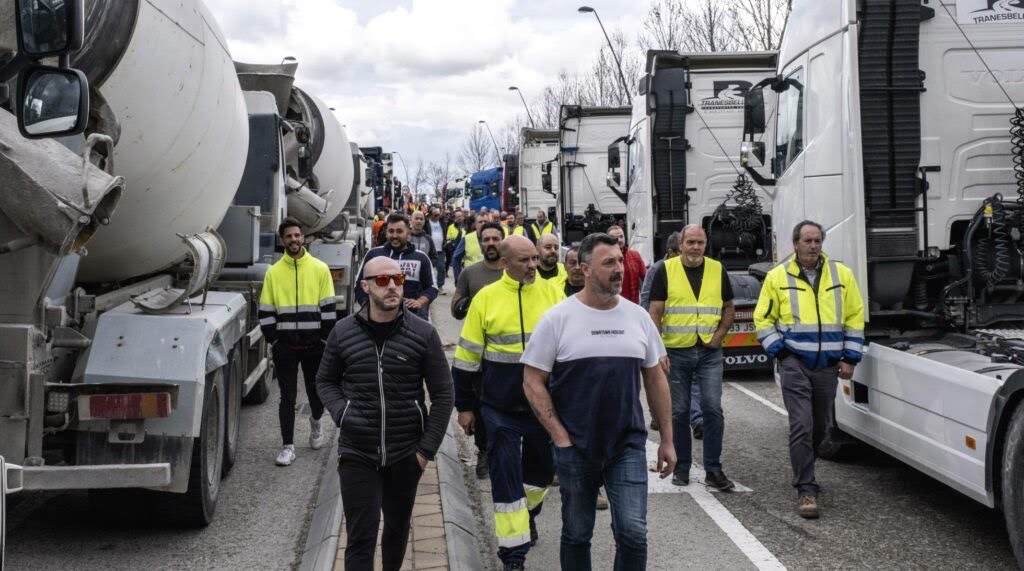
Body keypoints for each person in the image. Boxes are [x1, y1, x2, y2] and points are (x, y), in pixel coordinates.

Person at [522, 232, 676, 571]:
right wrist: (559, 436)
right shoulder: (557, 319)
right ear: (585, 269)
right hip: (575, 447)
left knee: (633, 534)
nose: (619, 269)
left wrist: (666, 439)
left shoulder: (638, 318)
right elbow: (533, 381)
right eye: (609, 263)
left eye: (620, 261)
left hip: (627, 446)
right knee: (577, 534)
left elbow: (654, 378)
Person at [317, 257, 454, 570]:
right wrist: (342, 413)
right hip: (357, 453)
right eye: (382, 280)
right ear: (365, 287)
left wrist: (425, 451)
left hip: (406, 453)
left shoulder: (423, 334)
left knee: (396, 530)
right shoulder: (343, 332)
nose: (392, 285)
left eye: (397, 279)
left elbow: (444, 394)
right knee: (360, 537)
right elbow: (325, 381)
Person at [453, 235, 565, 570]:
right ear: (504, 263)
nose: (532, 265)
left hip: (543, 408)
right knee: (505, 483)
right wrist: (465, 407)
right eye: (524, 260)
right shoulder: (485, 300)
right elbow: (466, 359)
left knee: (541, 476)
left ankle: (528, 514)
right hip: (498, 409)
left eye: (534, 258)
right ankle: (513, 558)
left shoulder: (552, 294)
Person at [754, 220, 865, 519]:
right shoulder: (777, 277)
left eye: (817, 241)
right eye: (807, 241)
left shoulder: (841, 275)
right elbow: (762, 319)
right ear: (795, 244)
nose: (813, 246)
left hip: (828, 365)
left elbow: (855, 316)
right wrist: (781, 351)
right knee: (801, 425)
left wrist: (850, 357)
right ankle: (806, 488)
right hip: (795, 363)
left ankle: (807, 468)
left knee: (819, 427)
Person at [647, 224, 736, 491]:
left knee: (712, 409)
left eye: (700, 242)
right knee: (679, 410)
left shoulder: (717, 269)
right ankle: (682, 466)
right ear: (681, 244)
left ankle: (713, 469)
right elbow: (655, 312)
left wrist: (719, 335)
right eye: (691, 242)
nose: (695, 247)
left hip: (709, 351)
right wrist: (659, 350)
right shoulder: (665, 269)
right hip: (676, 351)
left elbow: (728, 306)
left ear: (706, 244)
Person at [259, 218, 335, 466]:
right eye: (289, 236)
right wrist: (275, 340)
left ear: (304, 237)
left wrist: (324, 337)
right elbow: (266, 310)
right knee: (287, 397)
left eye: (297, 235)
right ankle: (287, 446)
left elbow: (329, 308)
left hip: (314, 345)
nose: (294, 240)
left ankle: (315, 422)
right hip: (286, 347)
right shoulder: (273, 273)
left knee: (316, 393)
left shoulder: (320, 269)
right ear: (283, 241)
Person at [450, 221, 506, 478]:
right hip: (479, 355)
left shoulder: (513, 271)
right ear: (481, 242)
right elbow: (455, 308)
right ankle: (484, 453)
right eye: (487, 239)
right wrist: (474, 301)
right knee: (483, 408)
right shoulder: (470, 274)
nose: (491, 243)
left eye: (496, 239)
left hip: (511, 354)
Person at [640, 232, 703, 437]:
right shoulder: (659, 269)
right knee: (662, 381)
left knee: (691, 381)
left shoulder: (690, 269)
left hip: (688, 339)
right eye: (681, 249)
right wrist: (650, 336)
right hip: (663, 338)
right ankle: (660, 416)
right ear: (672, 251)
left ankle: (696, 419)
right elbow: (646, 299)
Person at [355, 212, 437, 321]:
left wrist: (419, 302)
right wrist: (367, 306)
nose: (394, 236)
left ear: (408, 233)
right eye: (391, 231)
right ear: (386, 233)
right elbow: (359, 284)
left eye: (399, 231)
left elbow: (432, 287)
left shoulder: (421, 258)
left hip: (411, 318)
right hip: (378, 319)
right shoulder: (373, 254)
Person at [607, 225, 647, 305]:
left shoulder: (635, 256)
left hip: (634, 305)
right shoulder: (604, 259)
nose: (619, 240)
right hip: (612, 306)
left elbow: (646, 278)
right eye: (615, 237)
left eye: (621, 236)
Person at [452, 214, 486, 280]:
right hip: (471, 278)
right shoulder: (467, 238)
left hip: (489, 279)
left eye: (485, 221)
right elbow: (456, 259)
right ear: (475, 225)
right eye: (480, 222)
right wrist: (458, 279)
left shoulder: (495, 238)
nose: (483, 224)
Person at [427, 207, 447, 292]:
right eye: (435, 214)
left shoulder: (442, 223)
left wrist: (445, 241)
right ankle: (427, 284)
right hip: (430, 251)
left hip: (440, 250)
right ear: (431, 214)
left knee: (442, 268)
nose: (437, 216)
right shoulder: (427, 223)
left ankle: (440, 286)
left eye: (438, 214)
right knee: (428, 268)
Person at [445, 210, 465, 278]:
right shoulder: (451, 227)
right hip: (455, 251)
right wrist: (452, 246)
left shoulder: (466, 226)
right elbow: (448, 239)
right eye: (457, 217)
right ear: (455, 218)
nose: (459, 218)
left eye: (460, 216)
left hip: (465, 251)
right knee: (457, 271)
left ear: (463, 217)